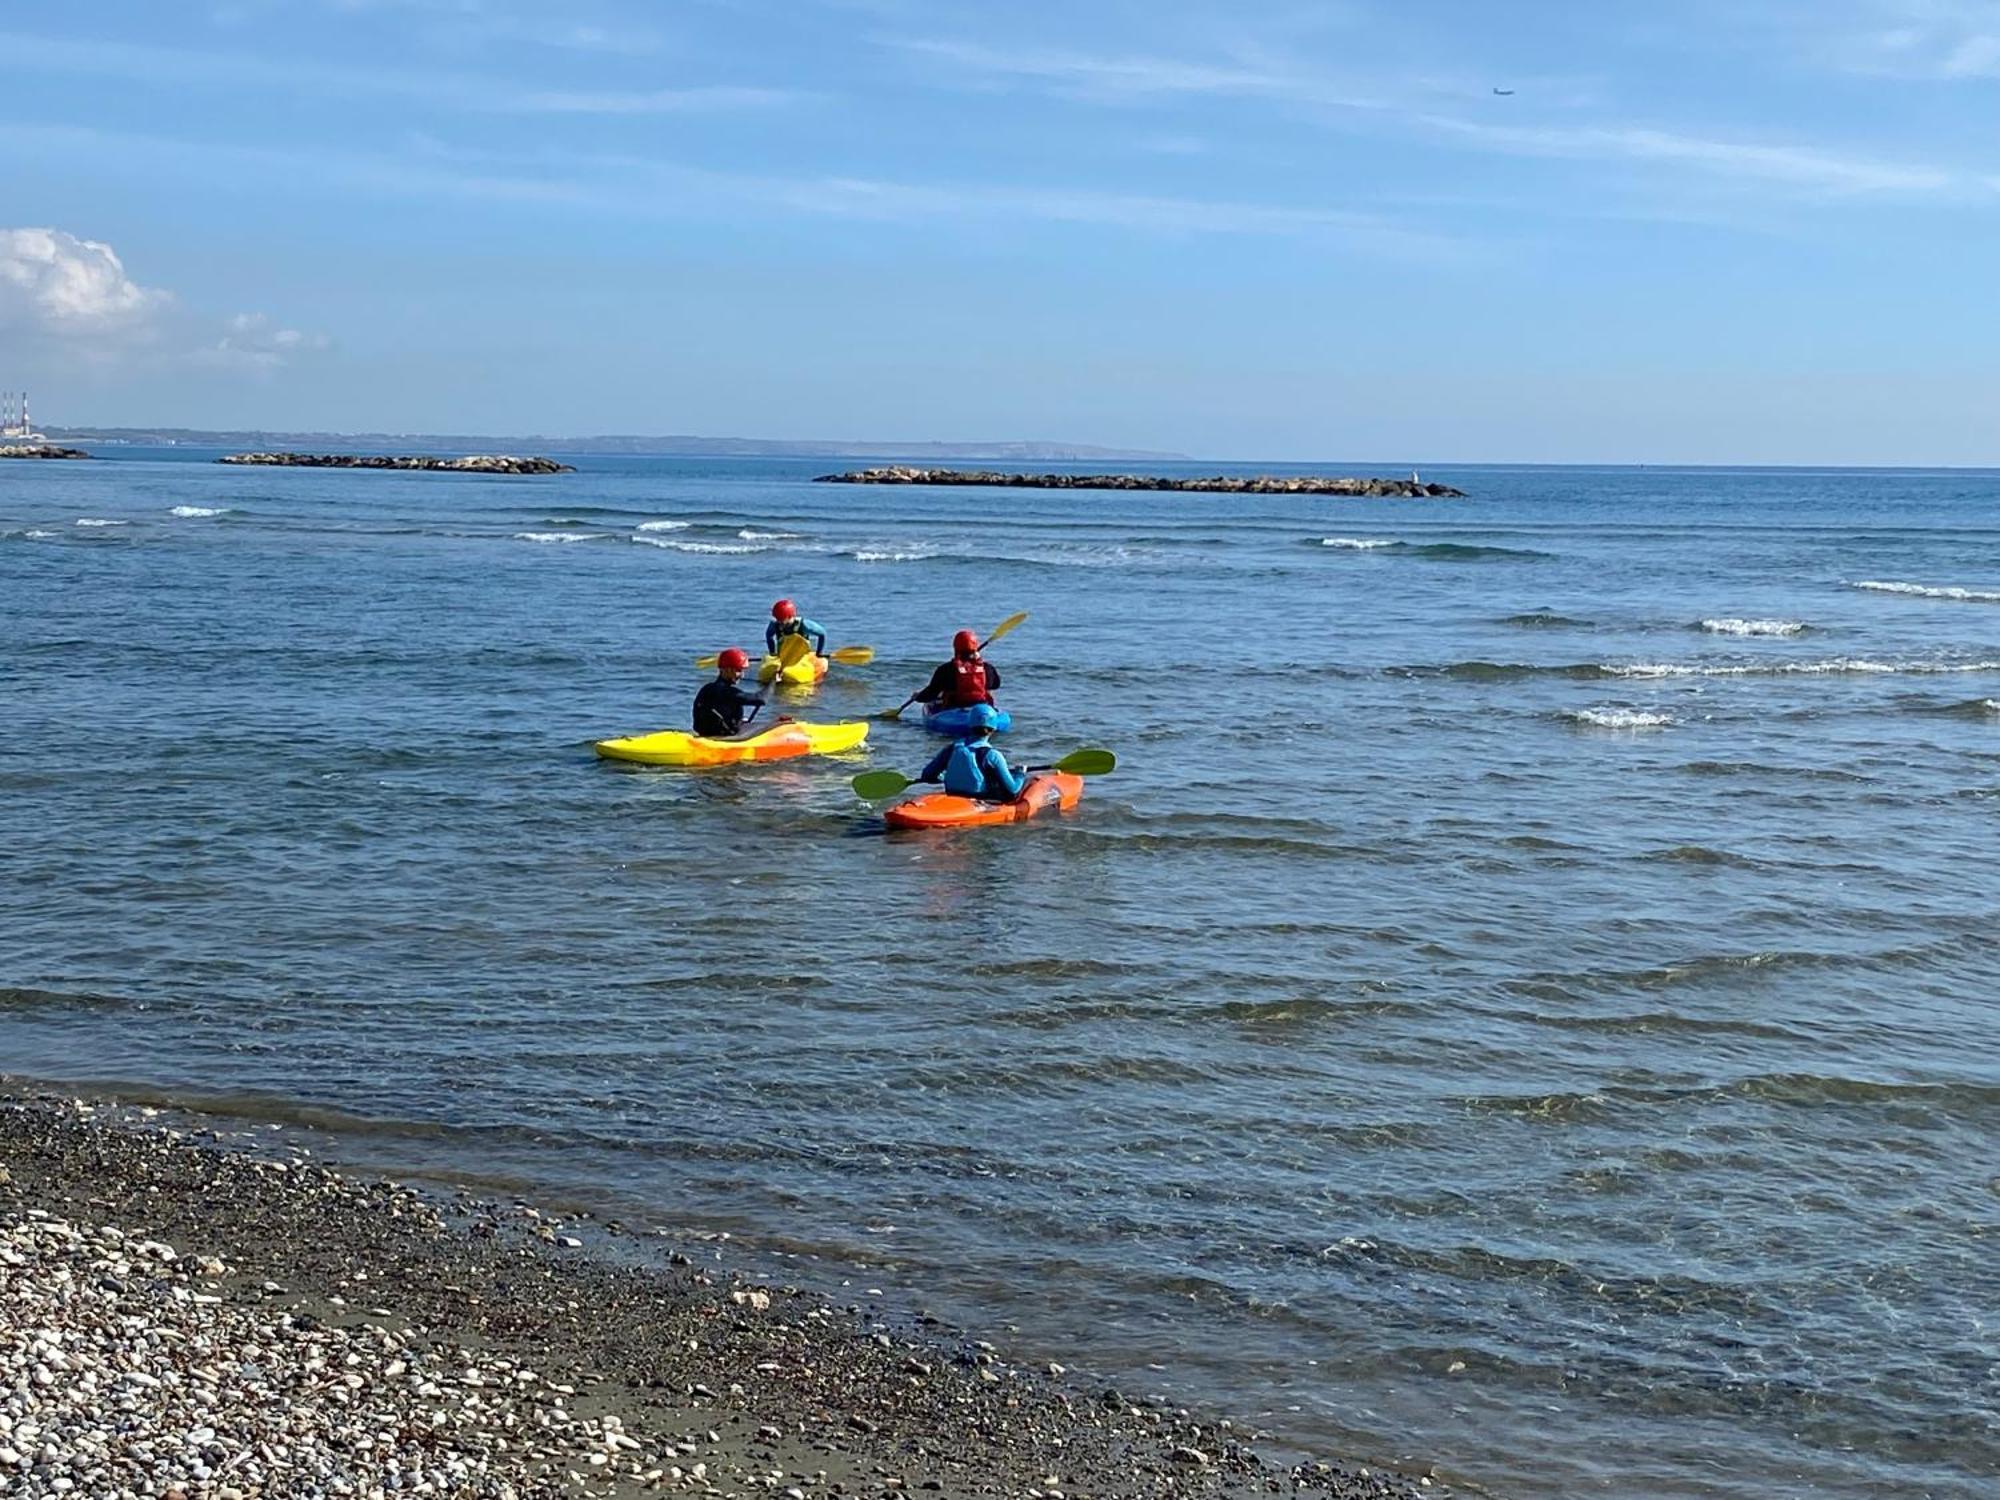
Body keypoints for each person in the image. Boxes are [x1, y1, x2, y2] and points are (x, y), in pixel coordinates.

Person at [917, 704, 1026, 801]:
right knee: (1012, 794)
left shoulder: (952, 748)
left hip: (952, 795)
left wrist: (942, 777)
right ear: (994, 729)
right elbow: (1013, 789)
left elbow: (927, 775)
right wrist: (1020, 774)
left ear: (970, 724)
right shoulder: (993, 755)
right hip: (980, 798)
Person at [912, 628, 1001, 710]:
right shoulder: (987, 668)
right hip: (981, 707)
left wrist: (918, 697)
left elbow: (931, 693)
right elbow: (996, 685)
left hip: (954, 709)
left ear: (955, 648)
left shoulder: (945, 669)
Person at [692, 648, 767, 738]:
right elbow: (761, 699)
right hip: (721, 738)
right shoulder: (726, 691)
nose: (742, 675)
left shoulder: (707, 688)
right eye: (738, 671)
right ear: (725, 670)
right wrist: (773, 681)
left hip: (707, 734)